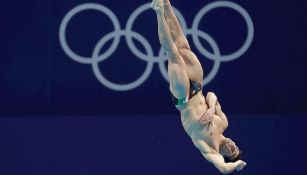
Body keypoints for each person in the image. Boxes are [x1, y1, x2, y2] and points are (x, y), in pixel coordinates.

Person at [151, 0, 247, 173]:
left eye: (232, 153)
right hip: (197, 88)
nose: (233, 147)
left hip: (184, 100)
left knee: (173, 55)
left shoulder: (209, 149)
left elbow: (224, 169)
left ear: (224, 154)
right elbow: (212, 95)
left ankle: (158, 12)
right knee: (183, 46)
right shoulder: (223, 123)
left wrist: (235, 165)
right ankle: (165, 4)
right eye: (236, 148)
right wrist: (211, 108)